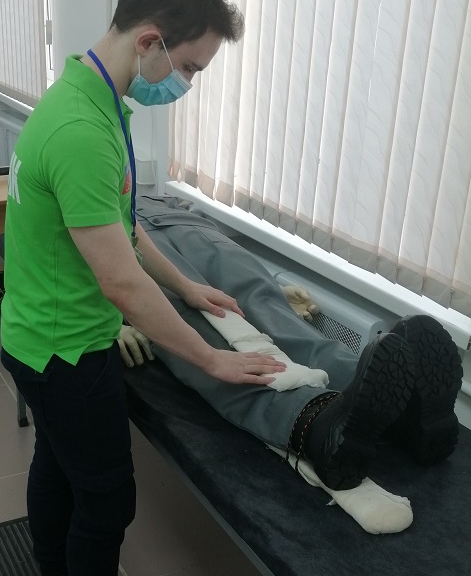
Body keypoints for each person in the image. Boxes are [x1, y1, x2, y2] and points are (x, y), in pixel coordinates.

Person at [0, 0, 288, 576]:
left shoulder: (93, 98)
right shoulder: (81, 130)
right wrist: (211, 360)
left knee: (57, 468)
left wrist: (187, 286)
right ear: (152, 40)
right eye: (188, 66)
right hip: (65, 349)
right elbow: (120, 282)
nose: (185, 82)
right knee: (106, 496)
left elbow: (121, 228)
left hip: (39, 335)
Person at [130, 195, 463, 488]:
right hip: (136, 239)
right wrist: (112, 322)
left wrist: (275, 289)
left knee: (259, 307)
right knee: (212, 328)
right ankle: (322, 419)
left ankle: (384, 411)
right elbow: (112, 274)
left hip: (167, 217)